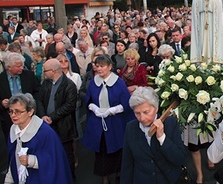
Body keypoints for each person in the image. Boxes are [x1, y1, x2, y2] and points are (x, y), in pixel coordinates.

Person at [82, 54, 134, 184]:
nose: (99, 69)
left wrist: (112, 110)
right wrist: (93, 107)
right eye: (97, 66)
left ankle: (118, 174)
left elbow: (126, 104)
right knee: (101, 150)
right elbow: (88, 99)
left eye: (102, 66)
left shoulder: (119, 82)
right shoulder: (94, 82)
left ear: (110, 67)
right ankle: (104, 177)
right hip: (98, 122)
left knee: (117, 149)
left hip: (115, 122)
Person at [120, 87, 186, 183]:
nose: (142, 118)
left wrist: (162, 138)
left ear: (156, 108)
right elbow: (127, 164)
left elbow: (179, 158)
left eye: (146, 112)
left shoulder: (170, 123)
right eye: (137, 113)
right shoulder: (130, 128)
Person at [4, 93, 73, 184]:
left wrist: (31, 160)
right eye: (11, 111)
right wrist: (9, 180)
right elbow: (13, 158)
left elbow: (55, 160)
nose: (13, 115)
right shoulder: (13, 129)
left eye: (18, 112)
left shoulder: (45, 132)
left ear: (30, 112)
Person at [35, 59, 77, 179]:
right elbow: (39, 100)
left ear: (53, 71)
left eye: (45, 70)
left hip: (64, 126)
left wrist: (51, 117)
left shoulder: (69, 85)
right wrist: (43, 115)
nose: (44, 72)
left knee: (66, 153)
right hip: (47, 123)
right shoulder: (46, 83)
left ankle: (69, 177)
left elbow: (69, 105)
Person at [0, 52, 41, 143]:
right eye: (18, 66)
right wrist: (2, 103)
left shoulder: (29, 75)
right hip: (8, 119)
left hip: (28, 116)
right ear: (9, 67)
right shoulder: (1, 78)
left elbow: (38, 92)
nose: (21, 68)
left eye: (22, 65)